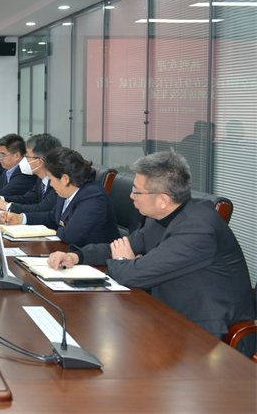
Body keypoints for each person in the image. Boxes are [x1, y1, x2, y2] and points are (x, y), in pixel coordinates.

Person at [47, 152, 255, 356]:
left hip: (210, 337)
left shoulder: (198, 228)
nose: (131, 196)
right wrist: (77, 257)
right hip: (168, 313)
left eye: (137, 192)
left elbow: (132, 274)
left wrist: (124, 261)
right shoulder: (163, 215)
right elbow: (125, 245)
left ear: (163, 199)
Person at [0, 147, 118, 246]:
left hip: (94, 262)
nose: (50, 184)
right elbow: (53, 217)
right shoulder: (67, 190)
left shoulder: (93, 196)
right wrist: (21, 218)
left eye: (51, 179)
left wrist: (55, 230)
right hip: (69, 252)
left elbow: (70, 235)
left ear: (65, 179)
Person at [0, 133, 62, 215]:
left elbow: (42, 208)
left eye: (27, 156)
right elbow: (28, 198)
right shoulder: (40, 179)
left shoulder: (57, 182)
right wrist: (2, 198)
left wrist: (9, 206)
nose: (24, 160)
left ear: (39, 161)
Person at [0, 133, 37, 198]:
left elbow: (5, 192)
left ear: (17, 156)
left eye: (3, 154)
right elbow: (0, 181)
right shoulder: (8, 169)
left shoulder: (24, 172)